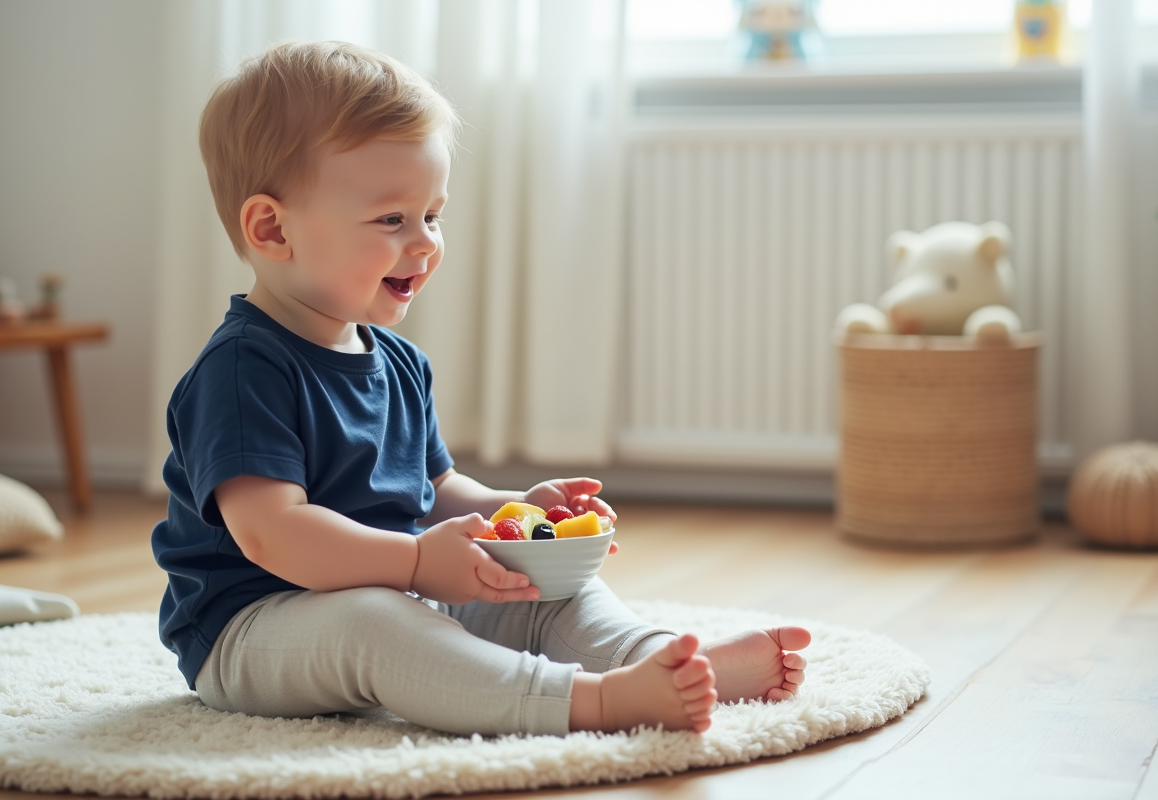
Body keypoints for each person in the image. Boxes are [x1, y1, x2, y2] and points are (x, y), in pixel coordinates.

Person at [151, 40, 810, 737]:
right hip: (254, 629)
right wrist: (415, 562)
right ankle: (594, 702)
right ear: (272, 228)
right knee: (377, 620)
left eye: (432, 216)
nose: (425, 243)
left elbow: (436, 490)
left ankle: (658, 661)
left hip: (395, 591)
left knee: (539, 585)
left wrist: (518, 513)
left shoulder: (399, 361)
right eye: (392, 219)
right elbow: (271, 533)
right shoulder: (243, 369)